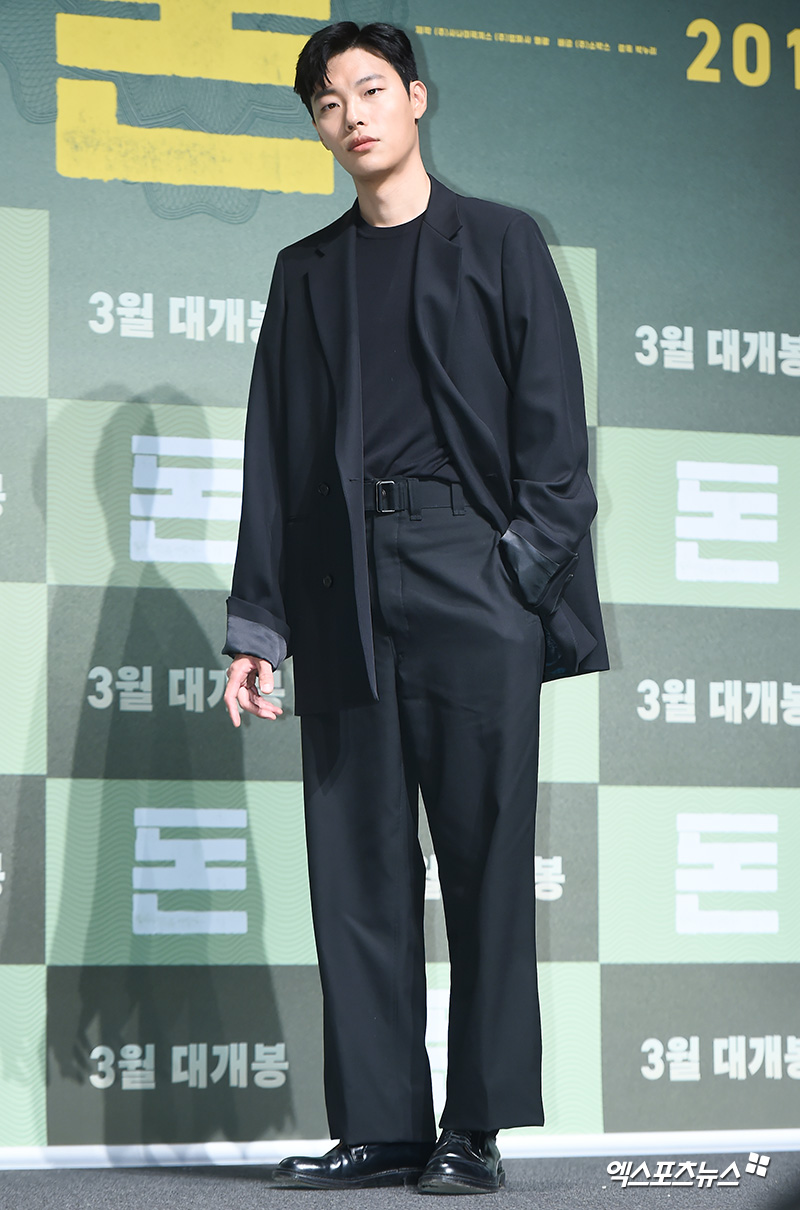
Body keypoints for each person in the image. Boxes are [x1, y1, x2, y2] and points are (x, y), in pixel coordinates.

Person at [222, 21, 607, 1194]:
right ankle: (383, 1124)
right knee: (354, 861)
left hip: (468, 571)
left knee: (484, 857)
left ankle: (472, 1128)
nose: (351, 115)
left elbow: (555, 438)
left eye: (370, 90)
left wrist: (514, 572)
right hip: (342, 578)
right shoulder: (304, 270)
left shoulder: (500, 240)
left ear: (416, 99)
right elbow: (274, 455)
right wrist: (257, 625)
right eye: (327, 102)